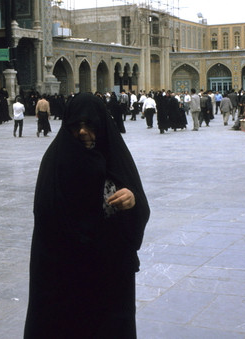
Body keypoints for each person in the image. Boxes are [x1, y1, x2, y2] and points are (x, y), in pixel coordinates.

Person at [24, 93, 150, 338]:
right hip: (66, 275)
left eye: (90, 125)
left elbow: (139, 209)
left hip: (110, 275)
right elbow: (46, 217)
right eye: (76, 126)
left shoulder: (116, 157)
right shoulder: (56, 161)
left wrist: (131, 200)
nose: (83, 132)